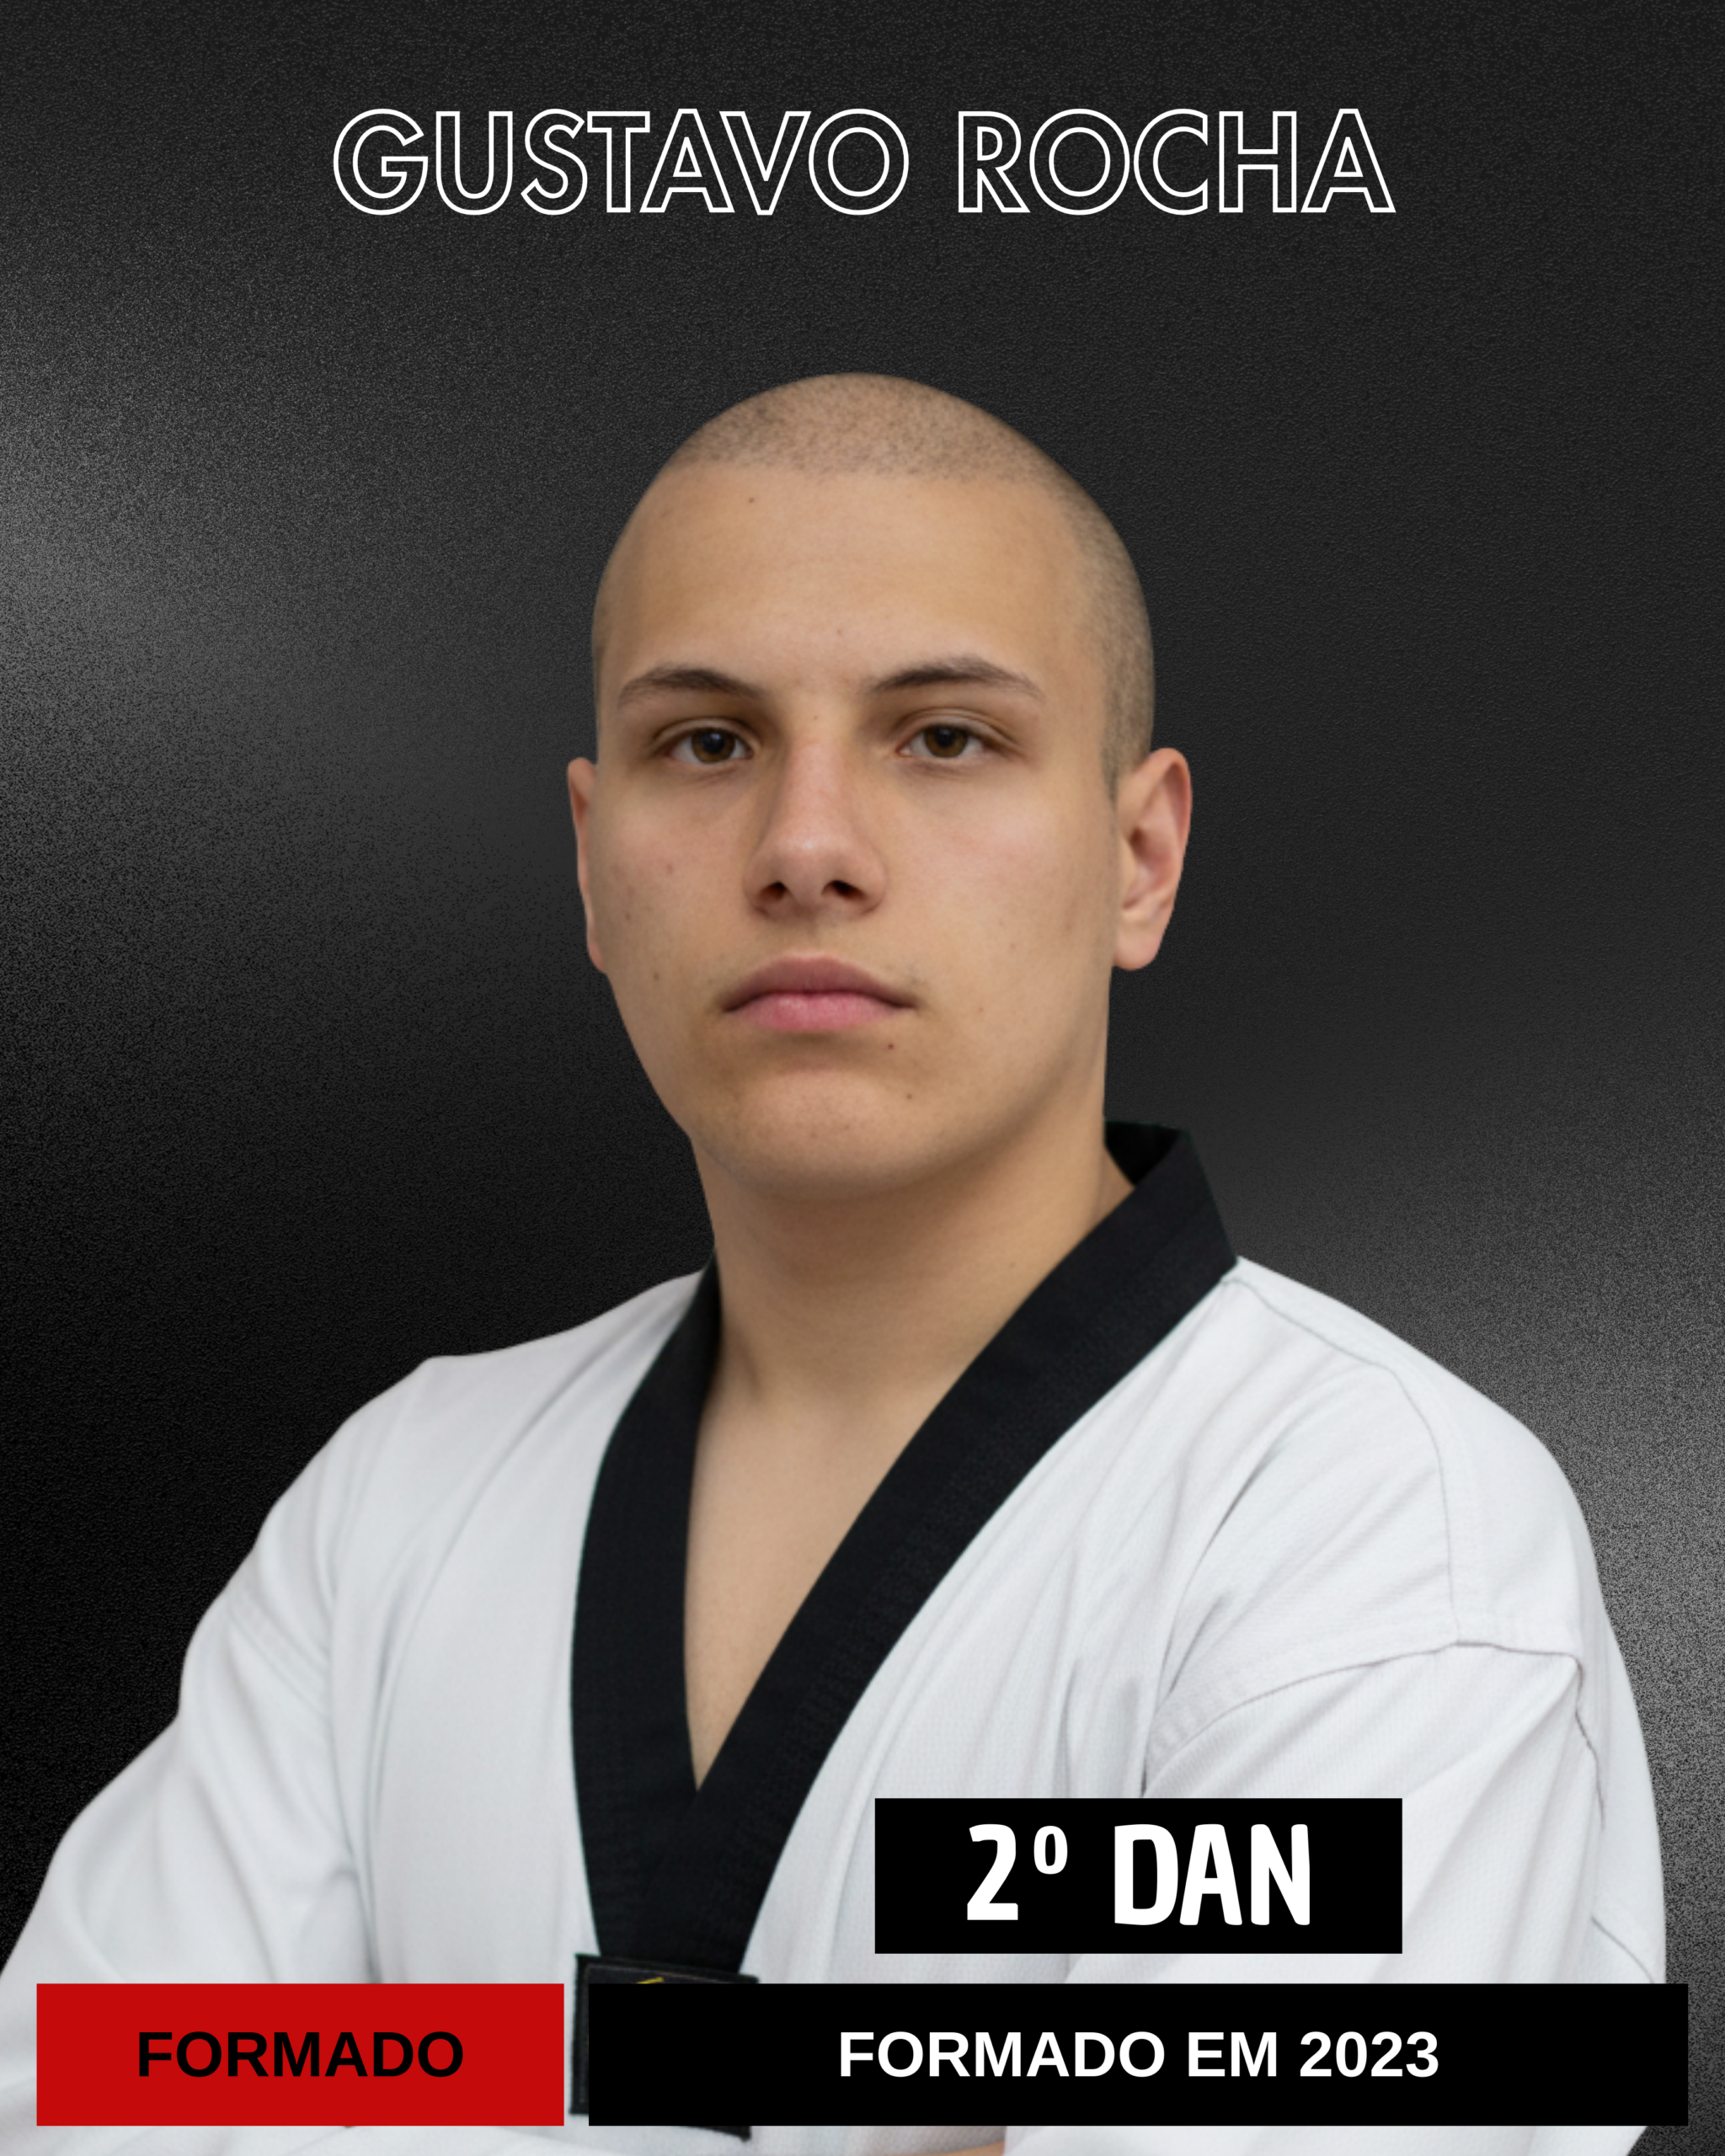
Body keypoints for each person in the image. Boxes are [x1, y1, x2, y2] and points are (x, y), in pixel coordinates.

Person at [0, 375, 1664, 2156]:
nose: (805, 850)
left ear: (1138, 856)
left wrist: (427, 2079)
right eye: (707, 743)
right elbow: (92, 2088)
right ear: (592, 862)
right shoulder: (401, 1494)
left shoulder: (1376, 1531)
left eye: (942, 736)